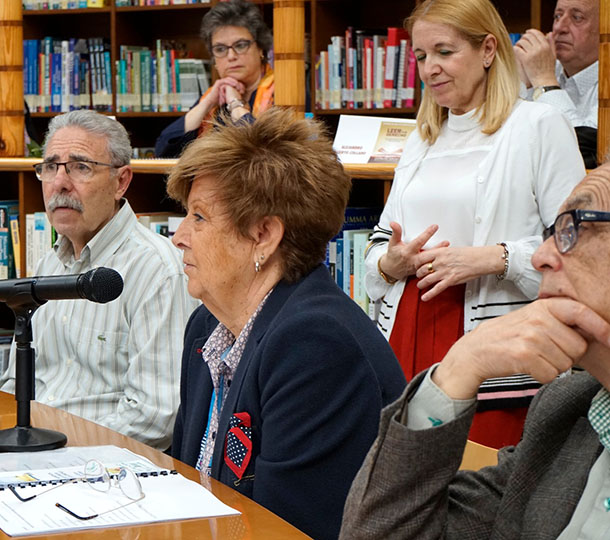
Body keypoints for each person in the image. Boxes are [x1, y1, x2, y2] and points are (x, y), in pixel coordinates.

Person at [168, 108, 406, 540]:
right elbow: (188, 485)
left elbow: (287, 528)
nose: (178, 236)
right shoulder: (206, 327)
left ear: (263, 236)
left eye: (198, 217)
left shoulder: (315, 346)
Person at [340, 163, 610, 540]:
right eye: (552, 232)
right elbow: (379, 532)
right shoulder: (564, 413)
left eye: (573, 228)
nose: (539, 257)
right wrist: (460, 366)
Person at [364, 0, 585, 448]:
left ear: (488, 49)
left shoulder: (539, 125)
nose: (430, 68)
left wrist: (495, 259)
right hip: (406, 329)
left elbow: (580, 248)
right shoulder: (421, 138)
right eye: (421, 56)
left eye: (444, 52)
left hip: (494, 343)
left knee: (482, 476)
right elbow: (381, 240)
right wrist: (390, 262)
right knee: (405, 472)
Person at [0, 110, 198, 450]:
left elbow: (156, 416)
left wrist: (60, 450)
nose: (60, 183)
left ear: (121, 182)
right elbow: (15, 385)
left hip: (102, 464)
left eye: (80, 167)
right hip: (31, 453)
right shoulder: (49, 262)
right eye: (51, 167)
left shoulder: (157, 269)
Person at [154, 0, 273, 158]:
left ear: (260, 49)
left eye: (240, 45)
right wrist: (206, 103)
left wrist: (235, 105)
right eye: (220, 49)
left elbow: (266, 152)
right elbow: (163, 151)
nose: (231, 56)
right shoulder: (215, 97)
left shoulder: (283, 92)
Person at [514, 0, 598, 167]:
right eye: (557, 16)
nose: (560, 27)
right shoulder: (542, 66)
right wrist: (524, 85)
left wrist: (544, 81)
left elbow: (586, 154)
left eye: (577, 18)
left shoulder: (543, 71)